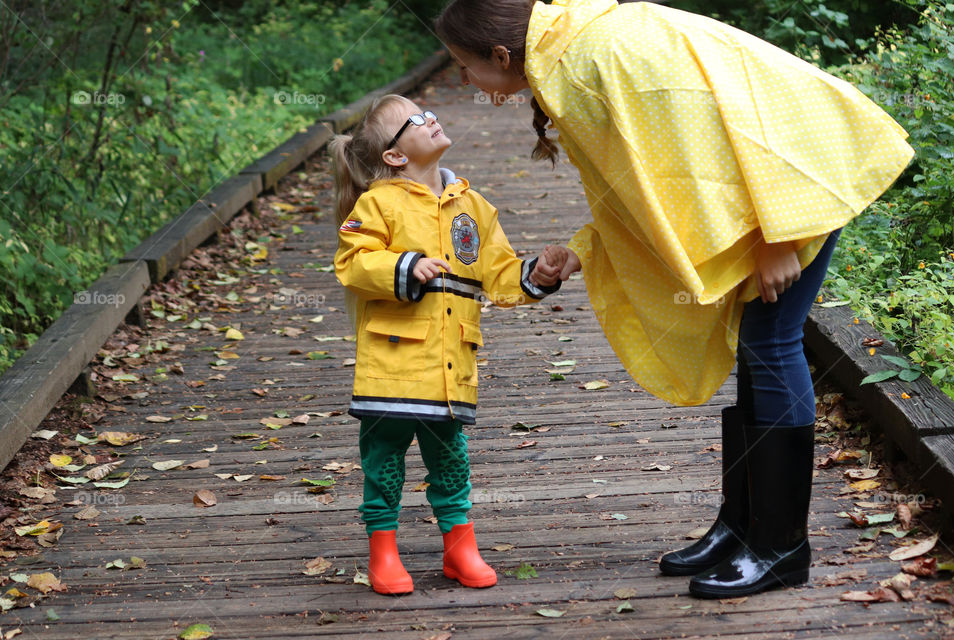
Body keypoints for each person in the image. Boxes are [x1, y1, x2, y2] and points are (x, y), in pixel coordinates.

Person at [435, 0, 914, 598]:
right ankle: (744, 528)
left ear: (501, 55)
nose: (463, 81)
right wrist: (585, 247)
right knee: (756, 348)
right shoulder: (571, 55)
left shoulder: (590, 58)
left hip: (792, 181)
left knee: (772, 341)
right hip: (771, 189)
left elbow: (725, 124)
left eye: (462, 66)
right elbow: (639, 179)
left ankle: (781, 546)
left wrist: (777, 234)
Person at [330, 93, 564, 595]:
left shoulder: (473, 207)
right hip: (391, 364)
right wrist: (404, 265)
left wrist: (536, 274)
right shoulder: (378, 203)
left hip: (450, 367)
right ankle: (383, 552)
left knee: (451, 459)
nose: (431, 118)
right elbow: (353, 262)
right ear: (395, 156)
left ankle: (460, 549)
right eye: (416, 119)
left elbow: (497, 275)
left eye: (429, 111)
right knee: (384, 460)